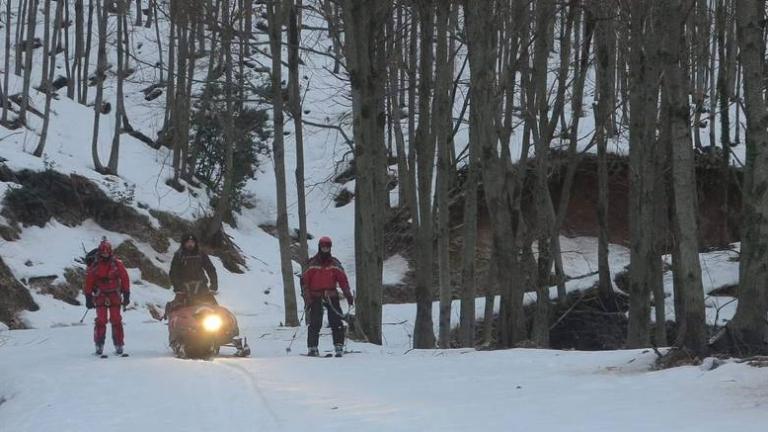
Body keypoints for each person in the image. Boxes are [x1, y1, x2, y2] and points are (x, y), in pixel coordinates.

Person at [301, 236, 354, 357]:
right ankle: (312, 347)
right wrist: (307, 297)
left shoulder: (334, 263)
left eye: (327, 246)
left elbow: (343, 281)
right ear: (320, 247)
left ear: (330, 248)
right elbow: (305, 282)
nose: (325, 248)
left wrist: (348, 295)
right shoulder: (312, 263)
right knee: (315, 322)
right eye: (323, 246)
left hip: (331, 295)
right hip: (315, 296)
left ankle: (339, 345)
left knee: (336, 321)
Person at [84, 239, 130, 355]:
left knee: (116, 320)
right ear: (100, 252)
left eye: (107, 252)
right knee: (101, 320)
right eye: (103, 252)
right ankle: (99, 344)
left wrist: (126, 294)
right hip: (101, 295)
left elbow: (124, 278)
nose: (105, 254)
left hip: (114, 295)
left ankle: (119, 344)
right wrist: (88, 298)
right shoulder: (95, 266)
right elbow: (89, 282)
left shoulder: (117, 264)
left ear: (110, 252)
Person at [167, 233, 218, 313]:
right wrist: (178, 288)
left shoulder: (201, 254)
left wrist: (214, 284)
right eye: (188, 242)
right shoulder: (179, 255)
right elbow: (173, 272)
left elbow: (210, 269)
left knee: (215, 310)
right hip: (184, 289)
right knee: (178, 311)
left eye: (192, 242)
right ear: (184, 243)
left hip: (202, 288)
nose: (190, 244)